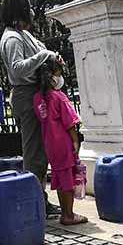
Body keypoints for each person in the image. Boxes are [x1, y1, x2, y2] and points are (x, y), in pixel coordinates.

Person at [0, 0, 63, 218]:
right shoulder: (12, 38)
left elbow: (41, 55)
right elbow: (17, 69)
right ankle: (35, 201)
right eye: (27, 5)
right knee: (34, 152)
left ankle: (39, 198)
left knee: (41, 151)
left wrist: (51, 57)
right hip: (27, 96)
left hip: (36, 95)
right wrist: (44, 56)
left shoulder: (23, 34)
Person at [34, 59, 87, 225]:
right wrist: (75, 142)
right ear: (52, 77)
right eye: (58, 73)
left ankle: (65, 212)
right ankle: (68, 215)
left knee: (59, 176)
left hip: (50, 144)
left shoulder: (37, 98)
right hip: (63, 143)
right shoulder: (59, 97)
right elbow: (70, 123)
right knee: (68, 181)